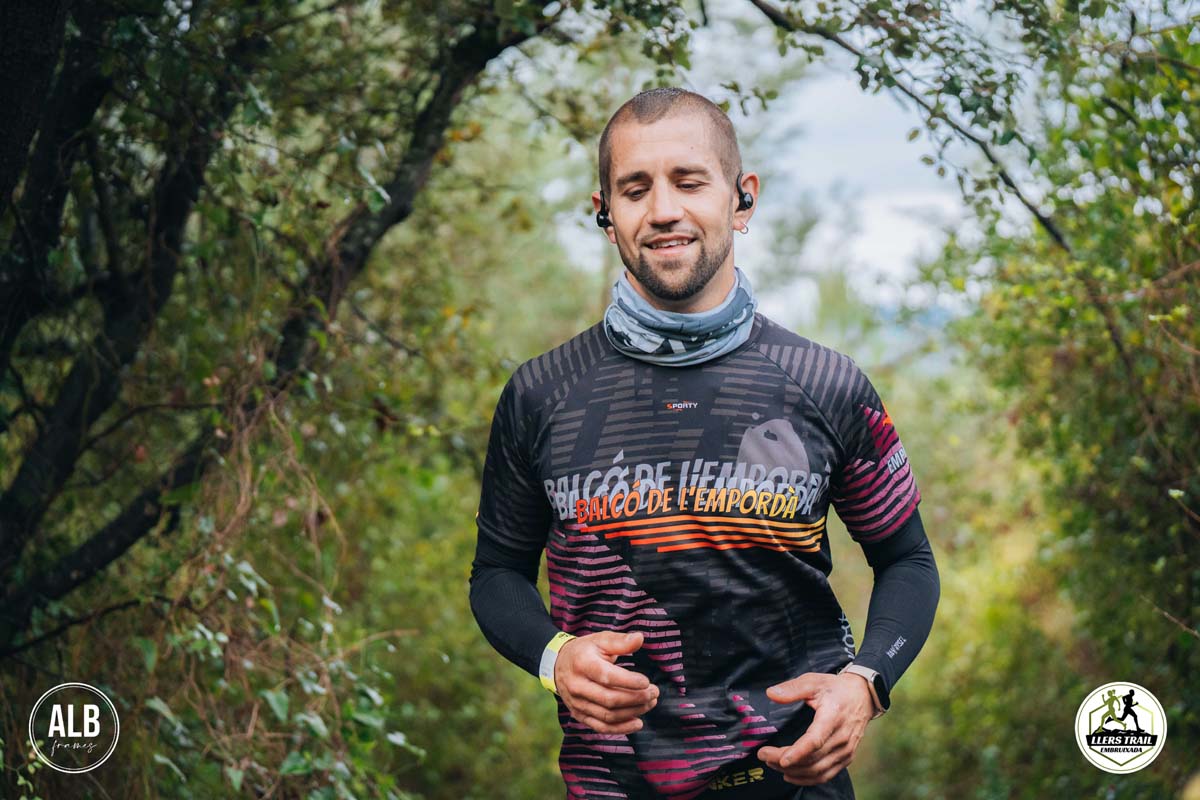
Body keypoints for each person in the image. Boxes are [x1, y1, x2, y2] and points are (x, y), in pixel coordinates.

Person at [469, 87, 940, 800]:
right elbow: (497, 574)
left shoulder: (827, 385)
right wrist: (554, 657)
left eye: (689, 182)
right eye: (635, 189)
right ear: (605, 213)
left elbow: (907, 559)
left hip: (797, 784)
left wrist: (867, 681)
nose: (663, 209)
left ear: (742, 199)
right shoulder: (541, 394)